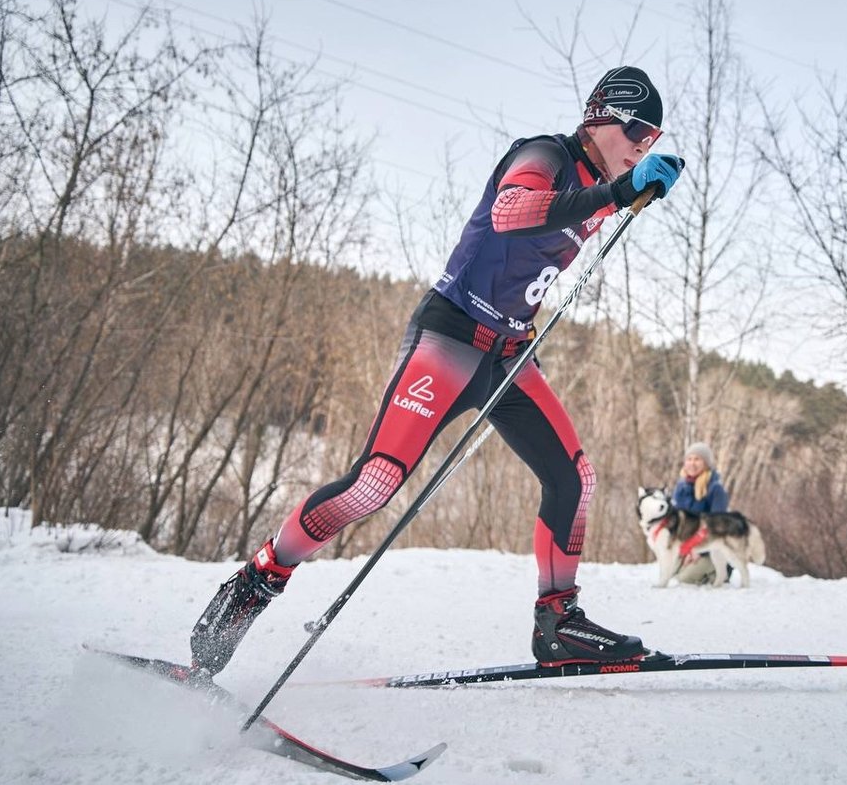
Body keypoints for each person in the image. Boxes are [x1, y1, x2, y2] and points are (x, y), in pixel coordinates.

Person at [188, 66, 685, 676]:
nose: (643, 144)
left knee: (575, 478)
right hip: (449, 338)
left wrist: (630, 191)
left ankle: (558, 622)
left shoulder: (605, 182)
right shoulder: (543, 154)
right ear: (599, 117)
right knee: (374, 484)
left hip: (509, 354)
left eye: (654, 138)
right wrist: (618, 191)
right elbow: (511, 213)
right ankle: (257, 579)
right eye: (638, 129)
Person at [671, 442, 732, 585]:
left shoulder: (715, 489)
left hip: (710, 548)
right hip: (688, 546)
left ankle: (721, 569)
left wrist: (697, 550)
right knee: (673, 574)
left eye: (697, 459)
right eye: (689, 459)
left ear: (706, 463)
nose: (692, 463)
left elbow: (715, 527)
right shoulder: (681, 487)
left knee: (685, 579)